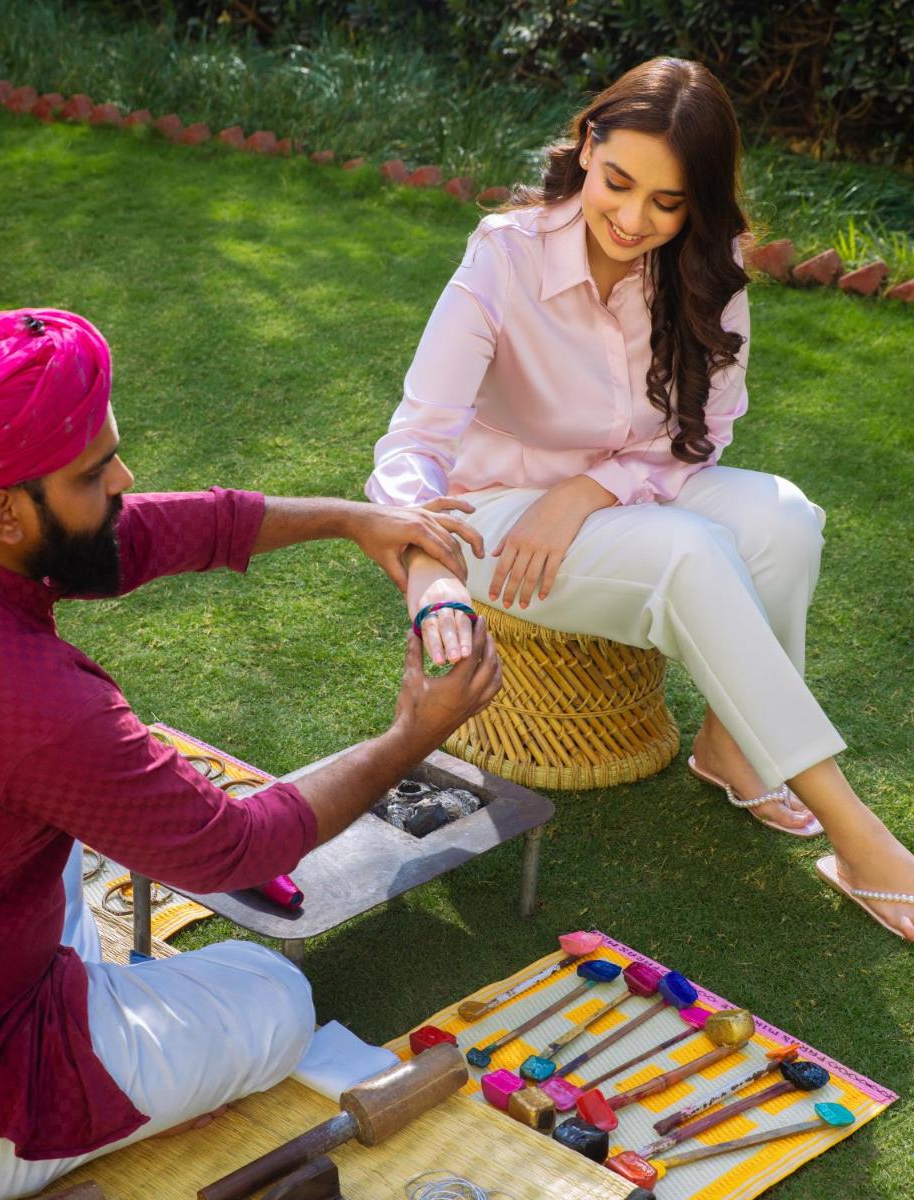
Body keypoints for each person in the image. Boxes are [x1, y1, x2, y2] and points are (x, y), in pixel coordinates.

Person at [0, 307, 501, 1200]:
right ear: (6, 511)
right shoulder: (31, 701)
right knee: (270, 997)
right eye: (97, 473)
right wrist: (414, 735)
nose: (125, 479)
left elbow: (126, 537)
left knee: (45, 845)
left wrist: (349, 519)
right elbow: (234, 849)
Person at [366, 57, 914, 940]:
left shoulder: (709, 264)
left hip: (620, 495)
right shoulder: (503, 255)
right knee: (690, 553)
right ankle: (865, 845)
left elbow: (705, 434)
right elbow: (414, 440)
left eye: (668, 202)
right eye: (618, 183)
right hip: (497, 516)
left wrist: (591, 488)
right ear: (588, 145)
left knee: (784, 519)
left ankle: (732, 750)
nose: (633, 219)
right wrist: (428, 564)